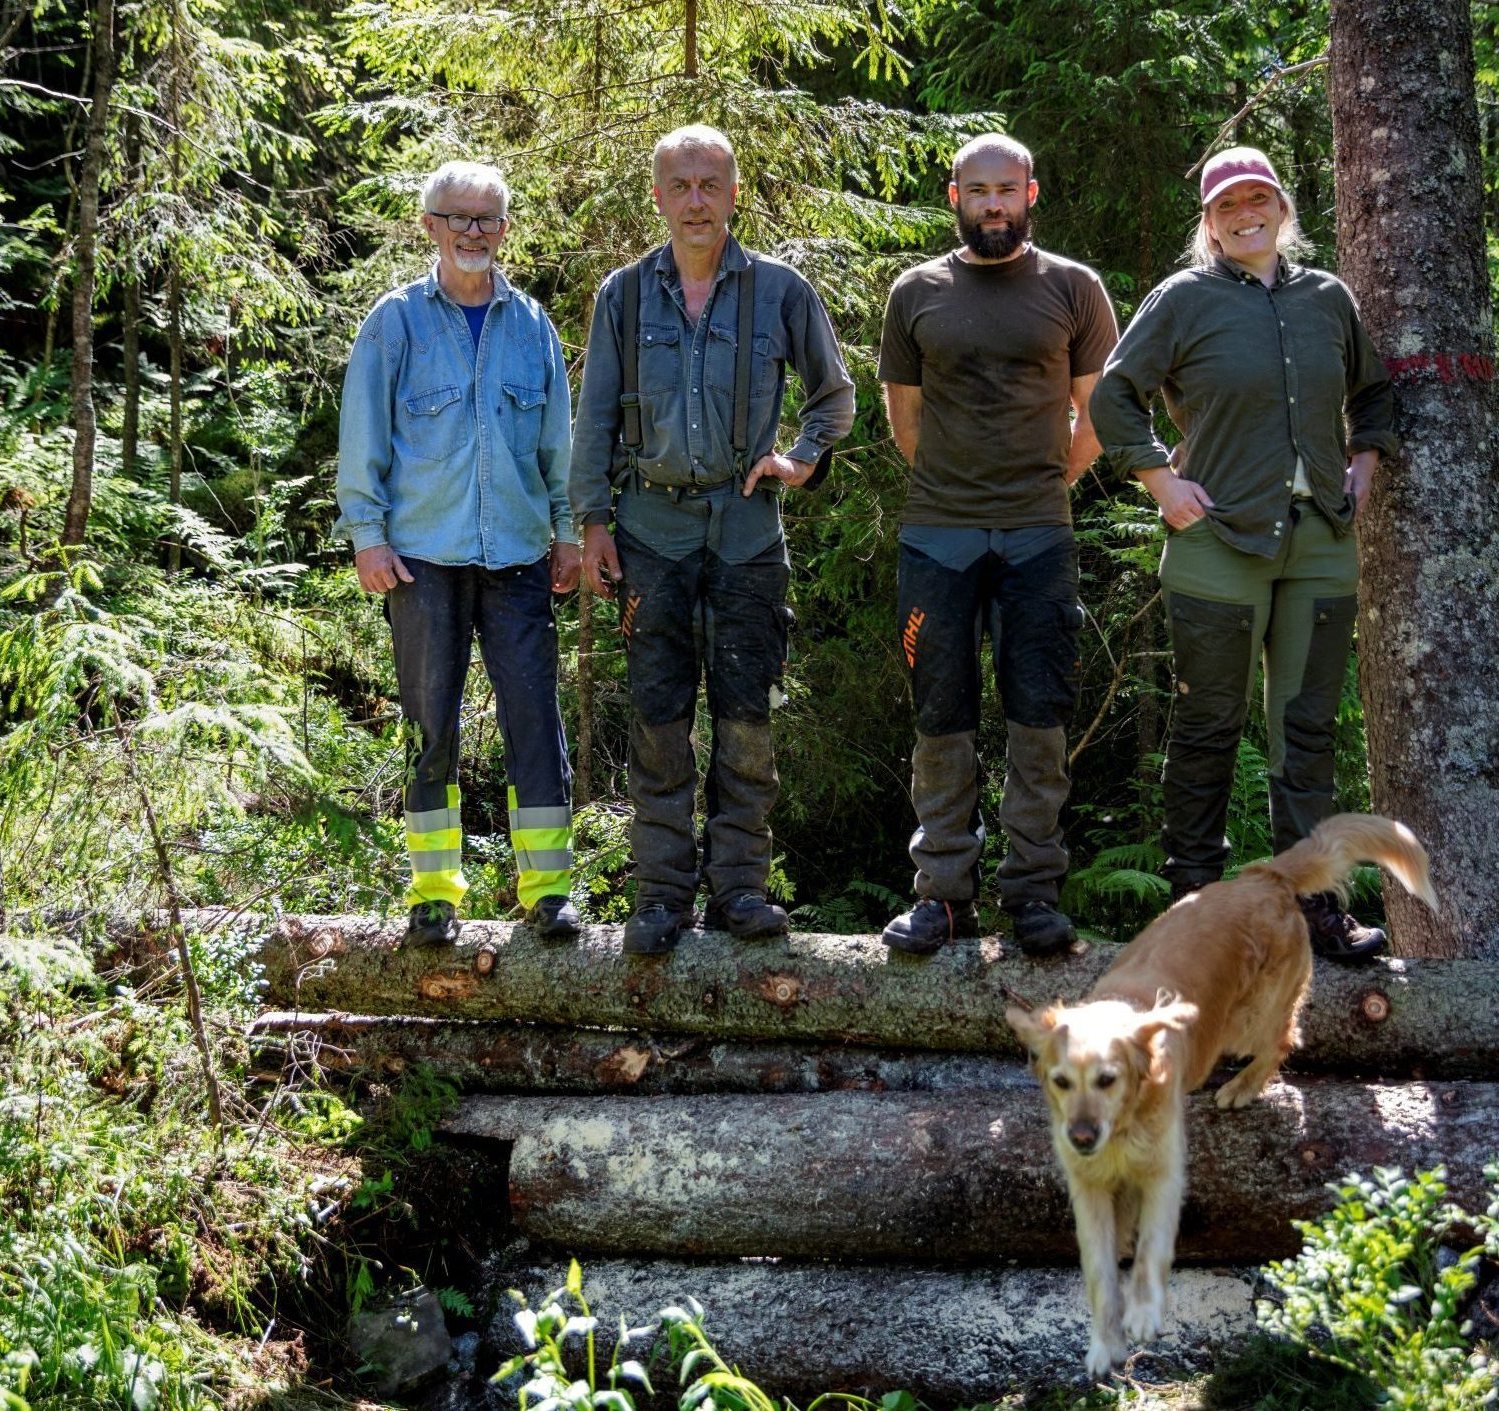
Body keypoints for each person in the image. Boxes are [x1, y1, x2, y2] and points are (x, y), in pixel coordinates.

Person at [1089, 147, 1401, 960]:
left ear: (1282, 208)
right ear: (1210, 222)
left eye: (1258, 198)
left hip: (1320, 547)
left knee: (1305, 732)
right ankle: (1196, 908)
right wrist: (1163, 484)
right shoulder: (1184, 300)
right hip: (1217, 546)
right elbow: (1114, 393)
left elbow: (1374, 391)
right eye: (1228, 205)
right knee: (1207, 728)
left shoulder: (1328, 299)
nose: (1246, 213)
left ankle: (1314, 908)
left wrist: (1362, 463)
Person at [570, 125, 857, 956]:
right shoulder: (621, 297)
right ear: (657, 197)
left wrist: (798, 460)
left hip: (746, 537)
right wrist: (592, 522)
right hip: (649, 533)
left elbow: (834, 397)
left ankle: (739, 888)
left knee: (746, 720)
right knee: (659, 718)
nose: (696, 200)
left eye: (711, 184)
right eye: (680, 185)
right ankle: (659, 895)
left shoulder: (780, 292)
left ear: (735, 194)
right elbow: (593, 419)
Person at [875, 134, 1118, 956]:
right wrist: (959, 489)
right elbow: (904, 421)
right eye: (977, 190)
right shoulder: (915, 292)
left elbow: (1101, 413)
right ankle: (943, 893)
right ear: (954, 197)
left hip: (1038, 535)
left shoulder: (1073, 288)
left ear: (1031, 193)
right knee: (940, 714)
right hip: (937, 536)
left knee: (1038, 712)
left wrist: (1049, 482)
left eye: (1006, 189)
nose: (993, 204)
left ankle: (1032, 892)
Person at [336, 159, 582, 948]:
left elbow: (558, 447)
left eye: (488, 218)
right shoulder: (396, 321)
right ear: (430, 226)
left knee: (534, 726)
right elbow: (364, 436)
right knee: (429, 729)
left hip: (517, 559)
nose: (474, 231)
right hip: (422, 563)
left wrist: (569, 531)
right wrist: (366, 535)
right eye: (459, 217)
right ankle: (434, 893)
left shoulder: (532, 325)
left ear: (505, 229)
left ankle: (546, 891)